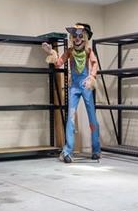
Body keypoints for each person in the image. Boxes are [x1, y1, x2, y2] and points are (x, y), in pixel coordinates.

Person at [42, 23, 101, 163]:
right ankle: (67, 151)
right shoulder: (69, 51)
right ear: (71, 37)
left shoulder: (88, 51)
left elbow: (94, 63)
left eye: (80, 36)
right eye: (74, 36)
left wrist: (92, 77)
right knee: (71, 119)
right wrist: (51, 52)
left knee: (92, 118)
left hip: (86, 85)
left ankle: (96, 149)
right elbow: (58, 63)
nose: (77, 39)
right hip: (74, 86)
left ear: (85, 37)